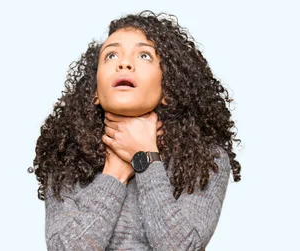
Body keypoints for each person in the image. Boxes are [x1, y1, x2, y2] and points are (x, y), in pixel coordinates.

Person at [29, 10, 242, 250]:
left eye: (144, 55)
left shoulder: (204, 159)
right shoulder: (64, 157)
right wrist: (115, 173)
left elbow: (181, 247)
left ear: (168, 89)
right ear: (95, 93)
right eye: (110, 55)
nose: (124, 63)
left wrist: (145, 158)